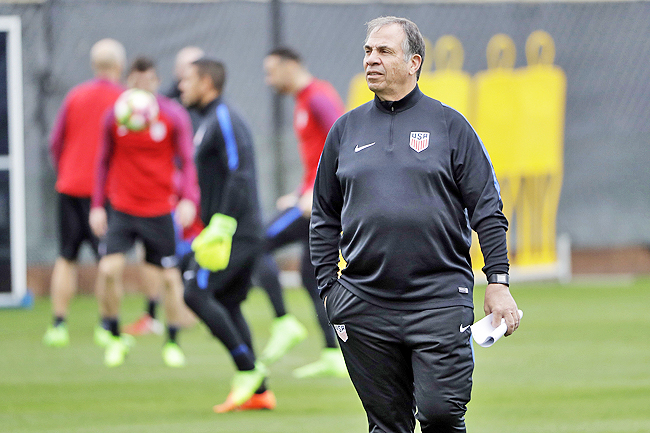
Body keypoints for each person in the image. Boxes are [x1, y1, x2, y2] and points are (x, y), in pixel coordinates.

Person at [310, 16, 520, 433]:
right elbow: (323, 216)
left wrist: (498, 279)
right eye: (368, 51)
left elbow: (487, 210)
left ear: (414, 62)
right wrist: (328, 289)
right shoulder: (344, 130)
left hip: (439, 298)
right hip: (363, 302)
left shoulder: (450, 126)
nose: (372, 59)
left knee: (441, 414)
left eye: (384, 51)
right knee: (388, 426)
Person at [89, 56, 200, 368]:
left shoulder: (172, 116)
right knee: (108, 271)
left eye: (147, 81)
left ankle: (173, 342)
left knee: (169, 278)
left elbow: (187, 160)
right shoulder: (115, 116)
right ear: (128, 83)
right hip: (123, 208)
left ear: (155, 82)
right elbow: (102, 161)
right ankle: (113, 336)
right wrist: (97, 206)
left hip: (160, 209)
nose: (141, 87)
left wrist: (188, 199)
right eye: (135, 82)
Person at [179, 58, 274, 412]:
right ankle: (260, 391)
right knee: (228, 302)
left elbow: (241, 172)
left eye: (187, 79)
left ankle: (247, 370)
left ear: (206, 82)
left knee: (195, 291)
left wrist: (222, 224)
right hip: (230, 230)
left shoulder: (223, 118)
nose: (182, 85)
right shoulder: (205, 122)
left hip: (235, 232)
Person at [258, 47, 347, 377]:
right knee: (312, 278)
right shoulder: (301, 100)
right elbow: (316, 158)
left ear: (290, 65)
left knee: (255, 242)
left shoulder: (318, 98)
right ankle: (333, 354)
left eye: (271, 71)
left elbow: (344, 143)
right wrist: (299, 192)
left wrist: (318, 193)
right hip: (312, 197)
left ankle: (284, 323)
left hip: (323, 203)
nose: (268, 80)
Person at [43, 38, 126, 348]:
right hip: (105, 195)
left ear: (94, 66)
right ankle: (107, 326)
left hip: (69, 186)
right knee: (109, 261)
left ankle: (58, 325)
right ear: (119, 66)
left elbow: (55, 141)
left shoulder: (74, 96)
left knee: (66, 257)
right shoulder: (125, 100)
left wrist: (65, 170)